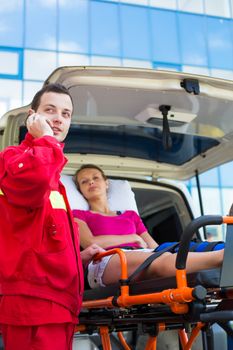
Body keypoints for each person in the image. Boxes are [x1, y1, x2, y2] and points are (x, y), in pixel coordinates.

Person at [0, 84, 103, 350]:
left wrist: (77, 259)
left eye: (66, 114)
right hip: (33, 304)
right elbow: (34, 182)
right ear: (32, 116)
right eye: (50, 110)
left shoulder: (54, 177)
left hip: (58, 304)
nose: (59, 118)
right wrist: (46, 139)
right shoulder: (14, 158)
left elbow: (40, 239)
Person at [73, 164, 224, 289]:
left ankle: (222, 250)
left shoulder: (130, 215)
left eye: (95, 178)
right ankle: (222, 257)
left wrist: (151, 245)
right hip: (106, 259)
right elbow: (90, 243)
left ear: (106, 183)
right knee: (159, 261)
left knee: (174, 249)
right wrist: (132, 237)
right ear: (80, 190)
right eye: (84, 181)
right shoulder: (78, 215)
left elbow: (153, 246)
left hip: (140, 254)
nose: (91, 182)